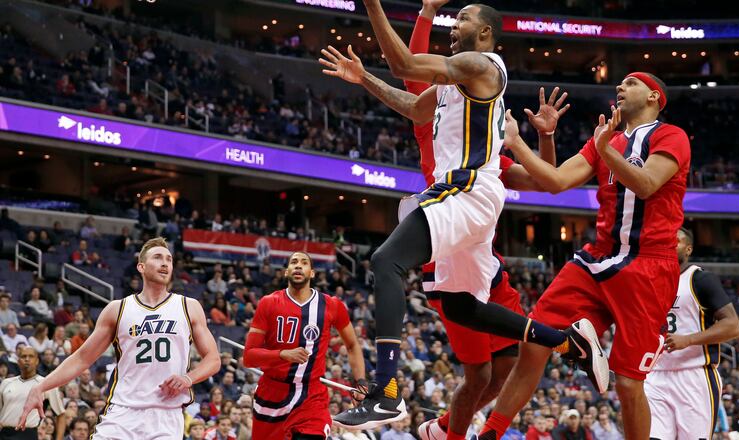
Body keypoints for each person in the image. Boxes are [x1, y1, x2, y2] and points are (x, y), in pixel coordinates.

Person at [320, 0, 604, 430]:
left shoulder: (483, 65)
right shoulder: (452, 86)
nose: (456, 25)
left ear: (487, 32)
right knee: (461, 306)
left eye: (464, 18)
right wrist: (364, 78)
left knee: (385, 261)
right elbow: (413, 104)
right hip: (468, 197)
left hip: (466, 190)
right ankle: (566, 342)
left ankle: (387, 392)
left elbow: (406, 64)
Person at [479, 72, 691, 439]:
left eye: (630, 83)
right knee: (534, 340)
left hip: (648, 266)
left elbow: (645, 185)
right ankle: (490, 434)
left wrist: (606, 149)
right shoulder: (604, 140)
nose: (620, 88)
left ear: (655, 96)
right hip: (598, 258)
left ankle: (582, 346)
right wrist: (523, 142)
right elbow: (556, 182)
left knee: (627, 384)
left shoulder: (670, 136)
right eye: (619, 84)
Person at [17, 237, 221, 439]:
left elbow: (213, 358)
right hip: (123, 412)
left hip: (165, 414)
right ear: (141, 267)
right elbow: (82, 358)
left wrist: (188, 378)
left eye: (169, 259)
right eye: (158, 258)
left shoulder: (188, 306)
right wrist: (41, 386)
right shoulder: (118, 309)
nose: (165, 263)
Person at [243, 251, 367, 439]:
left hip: (311, 395)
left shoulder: (332, 305)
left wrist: (361, 382)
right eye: (293, 262)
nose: (298, 266)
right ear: (286, 272)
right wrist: (282, 354)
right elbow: (249, 357)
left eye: (304, 263)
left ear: (312, 273)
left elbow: (352, 345)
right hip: (272, 392)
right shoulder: (268, 303)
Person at [645, 227, 739, 440]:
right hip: (655, 375)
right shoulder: (649, 281)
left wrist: (688, 339)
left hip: (694, 375)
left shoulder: (700, 279)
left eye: (676, 241)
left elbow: (733, 326)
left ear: (688, 249)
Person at [0, 347, 66, 440]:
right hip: (4, 433)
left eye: (31, 356)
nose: (27, 359)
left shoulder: (46, 384)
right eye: (23, 356)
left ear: (37, 361)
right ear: (18, 361)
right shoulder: (6, 383)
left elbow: (61, 414)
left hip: (29, 434)